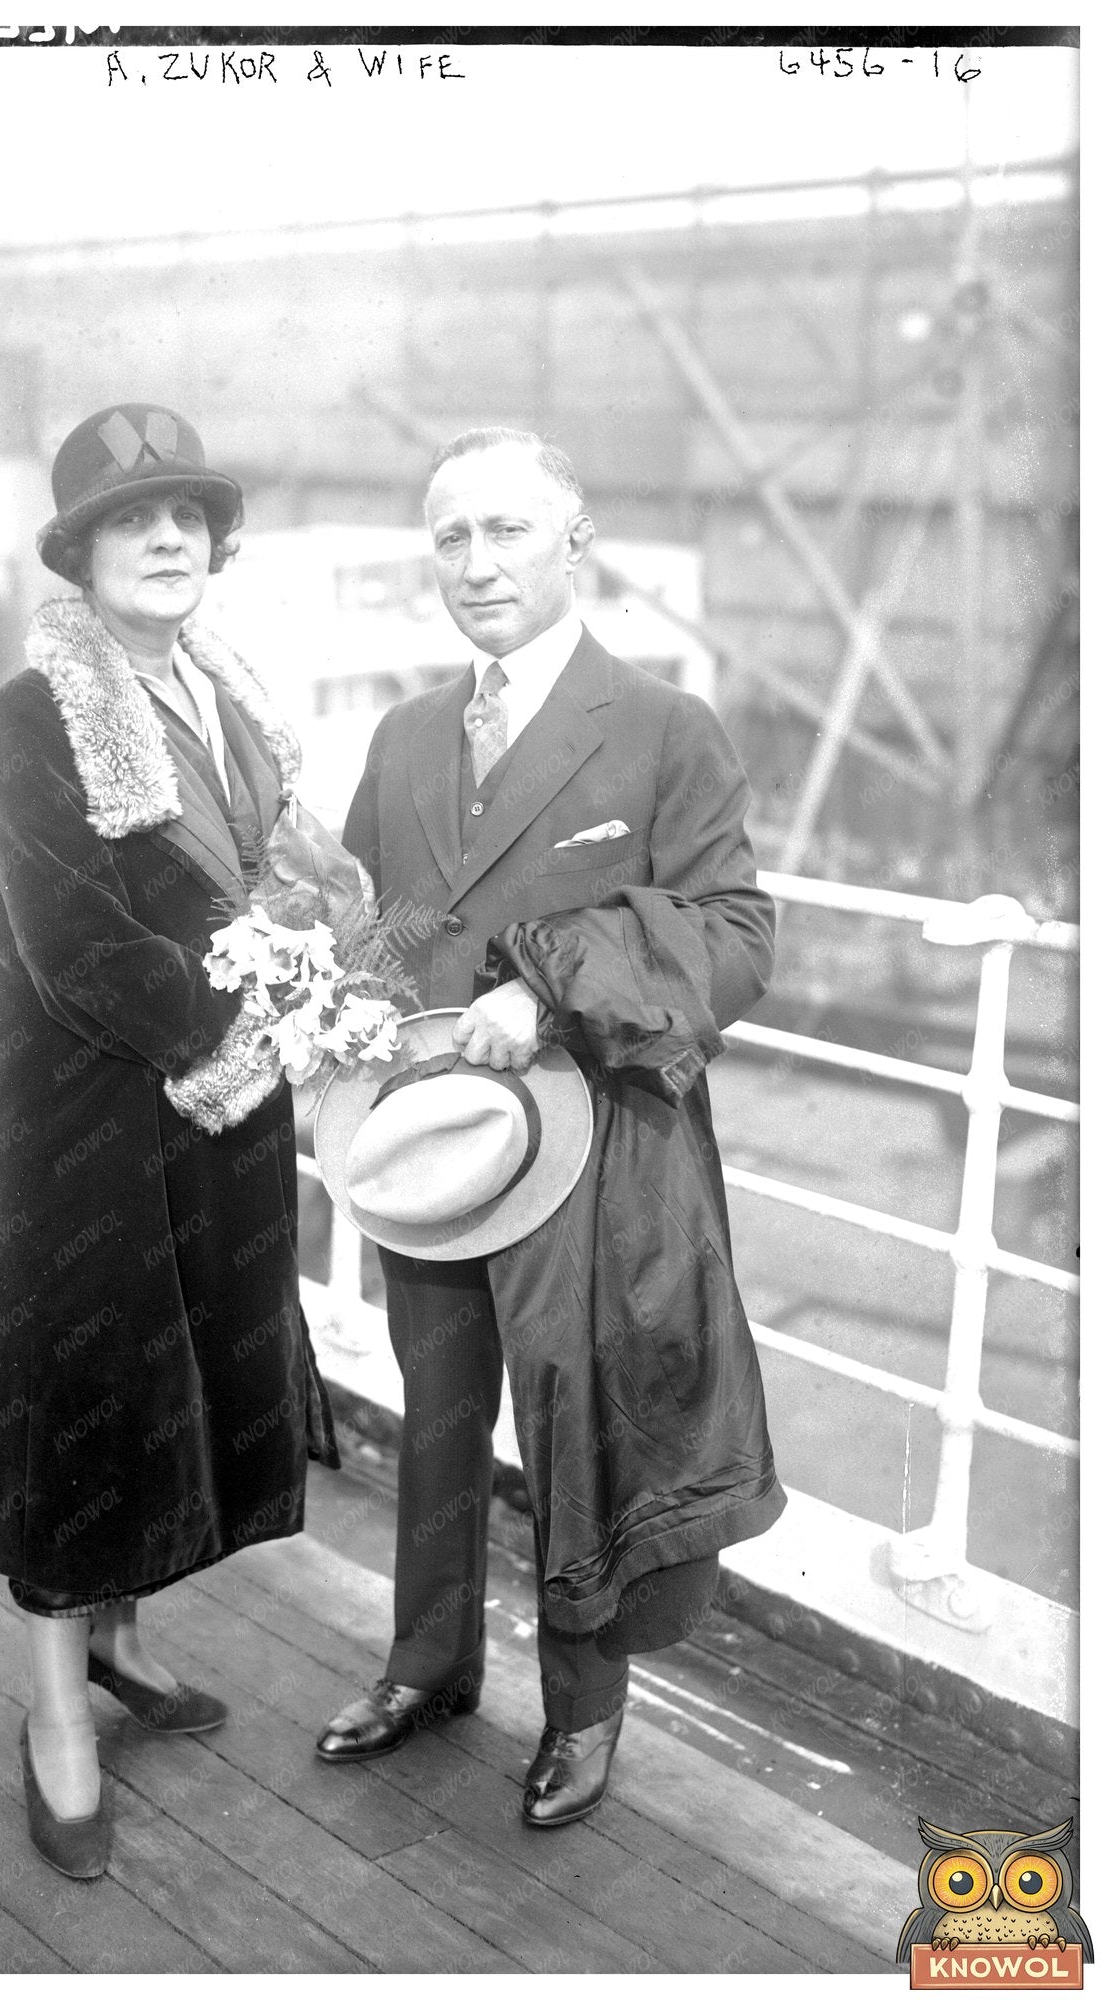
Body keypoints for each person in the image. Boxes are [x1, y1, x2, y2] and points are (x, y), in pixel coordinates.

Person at [317, 428, 785, 1827]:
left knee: (578, 1427)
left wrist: (551, 981)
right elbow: (383, 928)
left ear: (571, 543)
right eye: (450, 536)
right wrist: (325, 984)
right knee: (438, 1408)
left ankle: (581, 1714)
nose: (476, 563)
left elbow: (736, 935)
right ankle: (426, 1665)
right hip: (430, 1153)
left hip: (590, 1162)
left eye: (506, 531)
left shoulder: (658, 728)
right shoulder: (403, 736)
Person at [0, 403, 338, 1878]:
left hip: (216, 1105)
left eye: (188, 516)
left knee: (179, 1376)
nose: (169, 538)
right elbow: (78, 948)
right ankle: (56, 1711)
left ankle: (122, 1647)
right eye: (135, 519)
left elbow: (284, 878)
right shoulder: (27, 716)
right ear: (83, 554)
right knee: (85, 1396)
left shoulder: (231, 702)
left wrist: (333, 968)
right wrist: (249, 1026)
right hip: (87, 1124)